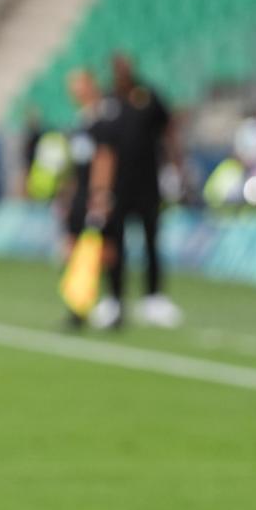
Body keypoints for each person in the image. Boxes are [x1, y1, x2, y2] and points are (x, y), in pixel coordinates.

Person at [87, 52, 182, 330]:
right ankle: (114, 299)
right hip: (117, 187)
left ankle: (154, 298)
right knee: (114, 244)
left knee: (151, 241)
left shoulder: (148, 96)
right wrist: (100, 189)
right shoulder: (108, 102)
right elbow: (102, 148)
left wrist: (175, 167)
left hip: (147, 184)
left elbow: (169, 129)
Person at [56, 68, 106, 327]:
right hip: (80, 191)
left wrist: (99, 193)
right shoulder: (80, 119)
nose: (75, 91)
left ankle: (103, 301)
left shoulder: (102, 116)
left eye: (79, 85)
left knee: (99, 248)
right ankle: (78, 304)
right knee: (74, 247)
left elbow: (103, 158)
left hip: (95, 193)